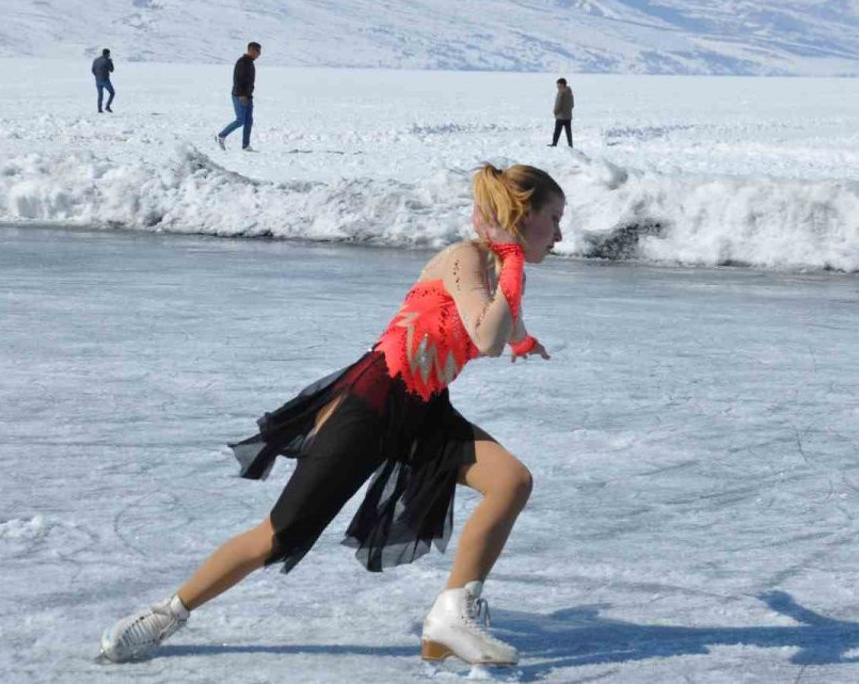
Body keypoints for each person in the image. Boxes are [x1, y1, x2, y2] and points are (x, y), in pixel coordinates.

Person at [99, 164, 566, 669]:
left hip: (425, 408)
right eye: (555, 218)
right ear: (524, 216)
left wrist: (523, 338)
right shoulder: (465, 259)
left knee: (511, 481)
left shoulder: (502, 270)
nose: (560, 235)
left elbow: (504, 326)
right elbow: (486, 337)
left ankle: (451, 616)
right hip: (372, 404)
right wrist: (511, 265)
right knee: (278, 536)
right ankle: (166, 613)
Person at [217, 42, 261, 151]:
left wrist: (248, 95)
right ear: (251, 50)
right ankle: (221, 136)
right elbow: (238, 79)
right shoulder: (242, 62)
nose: (259, 54)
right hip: (240, 96)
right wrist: (241, 95)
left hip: (248, 96)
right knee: (240, 120)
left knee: (248, 121)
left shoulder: (250, 62)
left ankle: (246, 145)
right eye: (257, 51)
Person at [549, 78, 574, 147]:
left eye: (558, 84)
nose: (557, 86)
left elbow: (558, 103)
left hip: (561, 116)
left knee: (557, 131)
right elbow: (572, 104)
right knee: (568, 132)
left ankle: (554, 143)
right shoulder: (570, 92)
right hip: (568, 116)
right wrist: (568, 110)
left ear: (562, 84)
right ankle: (570, 144)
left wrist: (555, 111)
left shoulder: (561, 92)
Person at [91, 49, 115, 114]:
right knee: (112, 93)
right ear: (107, 54)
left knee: (100, 95)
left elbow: (93, 70)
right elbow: (112, 70)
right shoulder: (107, 60)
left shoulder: (96, 60)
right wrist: (111, 62)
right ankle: (107, 106)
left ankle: (99, 109)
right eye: (109, 54)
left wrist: (97, 76)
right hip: (105, 80)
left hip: (97, 80)